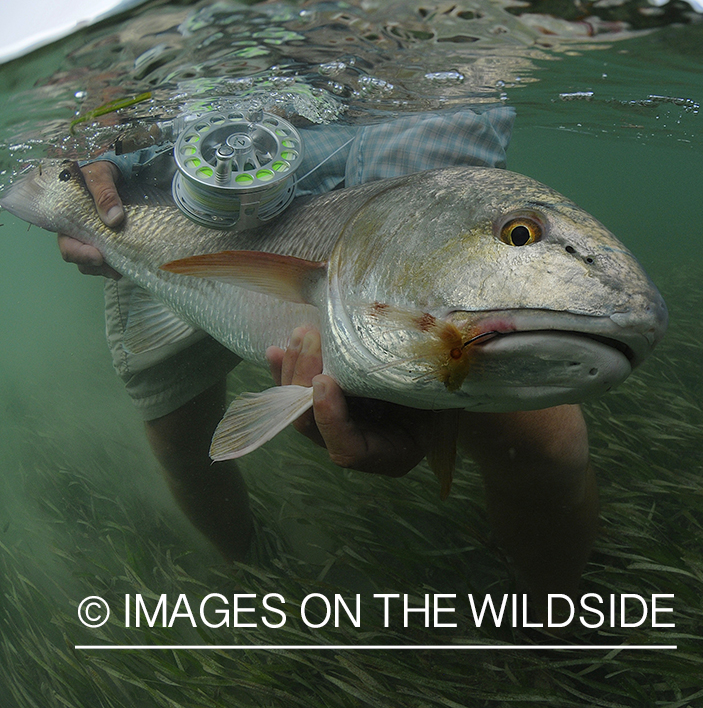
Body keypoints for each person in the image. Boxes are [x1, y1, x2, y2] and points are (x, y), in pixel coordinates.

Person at [59, 107, 598, 607]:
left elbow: (464, 116)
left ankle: (553, 624)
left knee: (548, 448)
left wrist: (410, 375)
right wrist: (97, 158)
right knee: (183, 441)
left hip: (394, 196)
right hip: (182, 199)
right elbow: (101, 95)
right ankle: (249, 570)